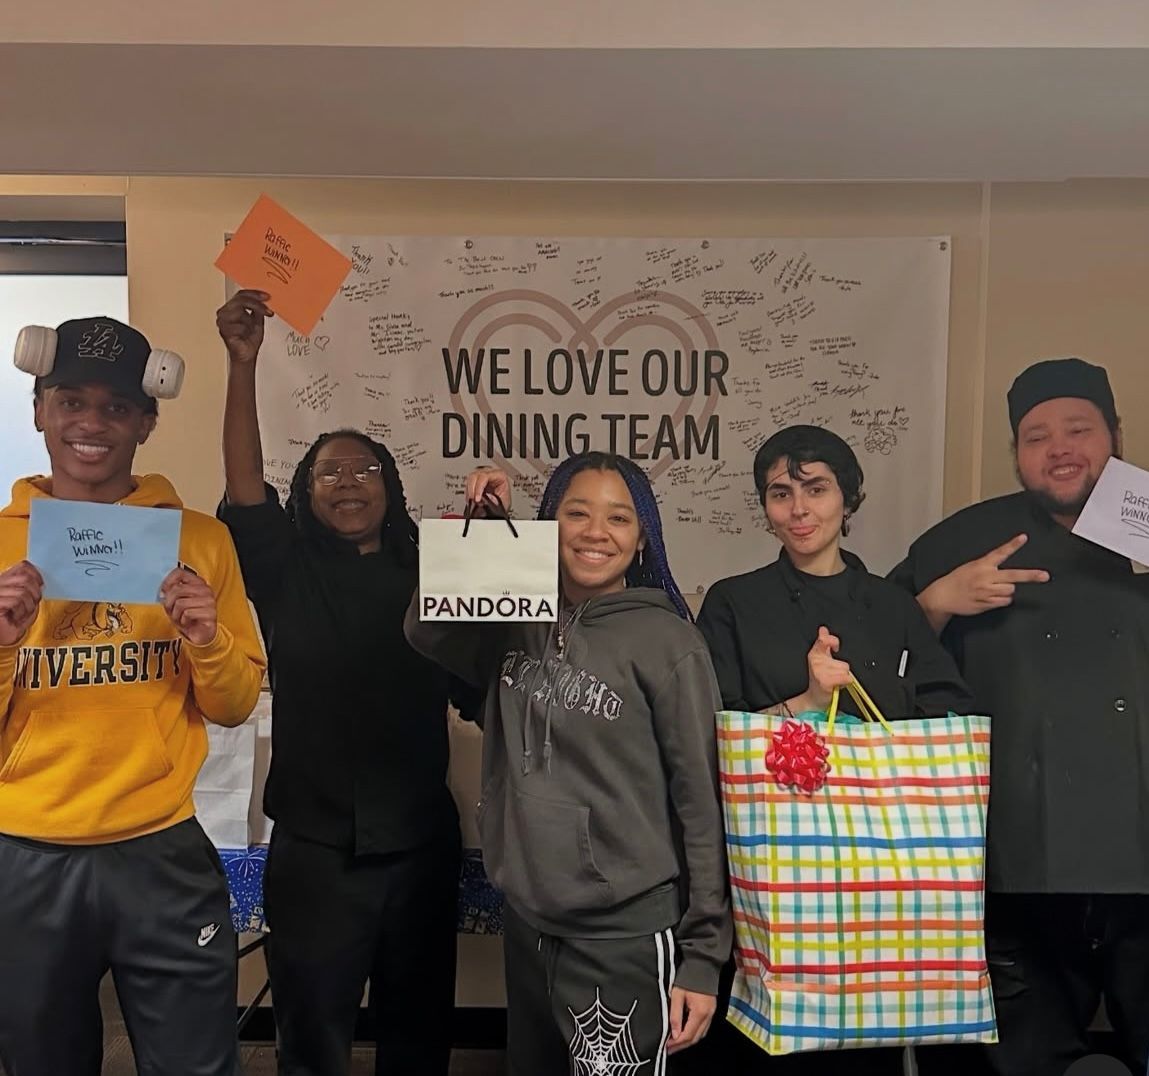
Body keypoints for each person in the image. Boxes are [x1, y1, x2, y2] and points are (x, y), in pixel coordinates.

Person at [405, 451, 732, 1075]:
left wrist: (702, 957)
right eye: (575, 513)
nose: (594, 532)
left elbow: (700, 805)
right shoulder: (516, 613)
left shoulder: (671, 645)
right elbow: (427, 630)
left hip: (624, 935)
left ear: (643, 542)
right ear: (548, 525)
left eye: (619, 518)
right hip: (529, 921)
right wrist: (488, 526)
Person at [0, 316, 266, 1076]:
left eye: (116, 407)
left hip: (159, 842)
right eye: (71, 401)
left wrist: (207, 641)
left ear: (146, 420)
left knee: (193, 1063)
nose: (91, 424)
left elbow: (234, 705)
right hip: (25, 850)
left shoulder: (201, 539)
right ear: (40, 410)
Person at [217, 291, 473, 1076]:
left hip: (421, 844)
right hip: (316, 850)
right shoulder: (283, 568)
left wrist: (490, 527)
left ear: (391, 485)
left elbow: (496, 648)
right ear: (307, 490)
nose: (350, 481)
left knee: (419, 1036)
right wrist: (243, 363)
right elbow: (245, 477)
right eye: (330, 471)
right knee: (312, 1039)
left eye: (366, 468)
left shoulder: (436, 563)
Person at [687, 424, 974, 1075]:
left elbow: (946, 712)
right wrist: (809, 705)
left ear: (847, 497)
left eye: (814, 489)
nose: (797, 509)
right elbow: (712, 736)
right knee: (770, 1035)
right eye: (779, 492)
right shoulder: (733, 603)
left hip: (881, 863)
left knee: (865, 1041)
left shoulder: (891, 606)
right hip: (774, 863)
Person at [889, 357, 1149, 1076]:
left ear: (1114, 437)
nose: (1058, 447)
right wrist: (937, 602)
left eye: (1077, 428)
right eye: (1035, 436)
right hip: (1014, 868)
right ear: (1015, 455)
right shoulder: (959, 540)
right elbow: (869, 662)